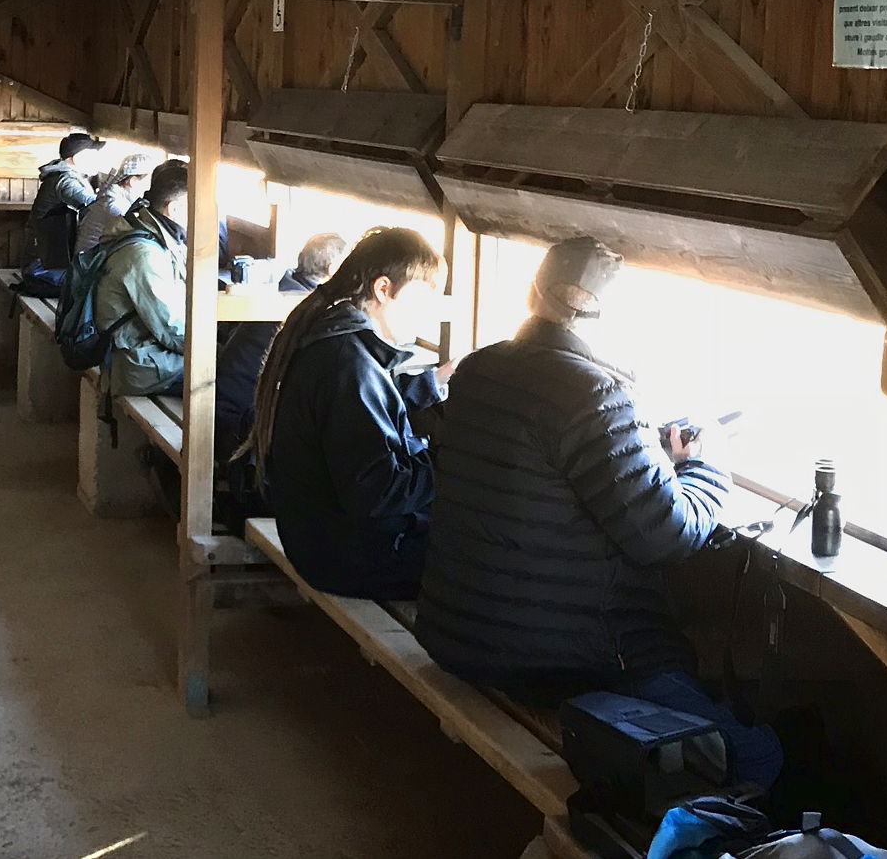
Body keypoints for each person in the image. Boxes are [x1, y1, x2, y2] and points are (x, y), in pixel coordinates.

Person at [414, 237, 783, 790]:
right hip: (562, 663)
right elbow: (667, 536)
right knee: (759, 756)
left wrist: (647, 454)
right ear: (609, 316)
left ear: (532, 293)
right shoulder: (597, 394)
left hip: (458, 631)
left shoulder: (480, 367)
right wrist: (706, 466)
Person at [246, 228, 454, 600]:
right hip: (348, 557)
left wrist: (430, 384)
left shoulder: (336, 339)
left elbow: (361, 415)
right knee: (488, 558)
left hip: (321, 540)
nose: (428, 315)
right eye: (424, 298)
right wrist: (451, 461)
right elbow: (379, 494)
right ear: (384, 289)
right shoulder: (348, 363)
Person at [215, 232, 347, 463]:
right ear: (332, 269)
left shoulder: (285, 291)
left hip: (223, 408)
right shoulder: (302, 311)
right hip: (234, 423)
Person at [93, 160, 189, 397]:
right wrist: (213, 349)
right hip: (137, 365)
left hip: (142, 353)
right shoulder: (145, 254)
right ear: (174, 209)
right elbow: (171, 329)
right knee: (226, 374)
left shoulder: (152, 234)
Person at [21, 133, 107, 291]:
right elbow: (98, 207)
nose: (97, 159)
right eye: (92, 154)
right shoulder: (65, 181)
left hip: (45, 263)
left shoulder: (64, 176)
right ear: (77, 158)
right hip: (42, 271)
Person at [74, 153, 156, 256]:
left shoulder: (114, 197)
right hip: (90, 262)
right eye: (147, 182)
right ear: (133, 181)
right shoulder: (115, 206)